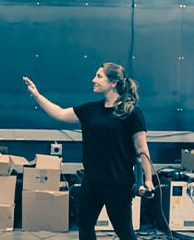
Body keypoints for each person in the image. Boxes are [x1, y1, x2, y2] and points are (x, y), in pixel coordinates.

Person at [23, 62, 154, 240]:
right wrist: (37, 95)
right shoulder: (90, 110)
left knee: (124, 231)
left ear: (113, 82)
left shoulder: (131, 112)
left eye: (99, 76)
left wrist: (148, 180)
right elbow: (60, 113)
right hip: (91, 181)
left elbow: (142, 149)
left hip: (118, 183)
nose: (94, 80)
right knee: (84, 228)